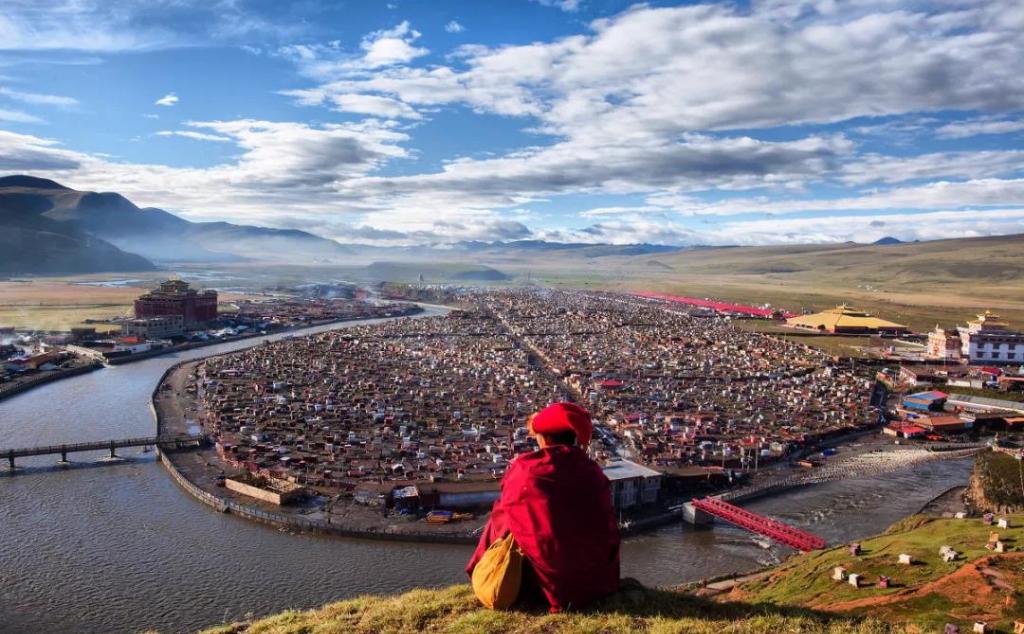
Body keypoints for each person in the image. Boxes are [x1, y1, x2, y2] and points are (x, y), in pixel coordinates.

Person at [466, 402, 620, 612]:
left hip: (546, 585)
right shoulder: (593, 472)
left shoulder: (526, 469)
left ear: (543, 437)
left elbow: (505, 521)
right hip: (595, 581)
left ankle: (488, 574)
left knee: (502, 516)